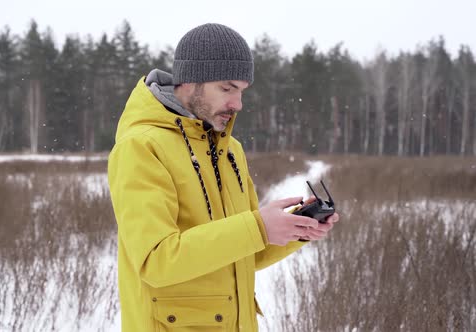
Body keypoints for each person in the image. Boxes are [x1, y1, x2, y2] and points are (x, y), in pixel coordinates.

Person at [108, 23, 339, 332]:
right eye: (227, 88)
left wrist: (298, 228)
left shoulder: (230, 150)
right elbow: (156, 260)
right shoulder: (142, 146)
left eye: (241, 91)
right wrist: (257, 226)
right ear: (190, 82)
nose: (237, 104)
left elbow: (243, 251)